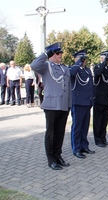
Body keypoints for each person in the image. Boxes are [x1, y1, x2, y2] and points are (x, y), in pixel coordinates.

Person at [30, 42, 71, 170]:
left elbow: (68, 87)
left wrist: (69, 103)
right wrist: (45, 55)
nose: (60, 55)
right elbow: (34, 65)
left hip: (64, 105)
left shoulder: (64, 68)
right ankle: (51, 159)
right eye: (58, 53)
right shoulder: (46, 66)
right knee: (51, 133)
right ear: (52, 54)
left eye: (61, 53)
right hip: (51, 105)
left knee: (60, 132)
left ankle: (58, 156)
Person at [70, 49, 95, 158]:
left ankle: (84, 146)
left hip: (87, 101)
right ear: (76, 59)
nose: (84, 61)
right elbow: (71, 74)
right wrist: (78, 62)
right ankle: (76, 148)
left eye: (84, 59)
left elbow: (91, 86)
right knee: (77, 126)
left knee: (85, 126)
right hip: (78, 102)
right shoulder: (73, 68)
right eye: (82, 58)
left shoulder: (87, 70)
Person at [93, 50, 108, 147]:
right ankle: (98, 139)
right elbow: (98, 73)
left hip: (107, 98)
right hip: (99, 98)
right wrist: (103, 62)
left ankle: (103, 137)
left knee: (105, 120)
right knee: (98, 120)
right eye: (107, 58)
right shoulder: (97, 67)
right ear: (102, 58)